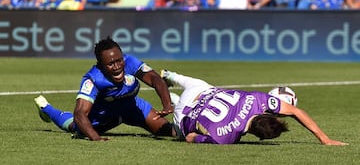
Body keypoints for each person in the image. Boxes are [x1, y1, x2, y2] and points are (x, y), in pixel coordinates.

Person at [35, 37, 175, 141]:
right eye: (110, 64)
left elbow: (156, 79)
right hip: (103, 116)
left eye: (119, 60)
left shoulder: (130, 62)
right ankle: (46, 108)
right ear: (101, 65)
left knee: (170, 131)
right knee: (75, 126)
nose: (117, 67)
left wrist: (167, 104)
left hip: (132, 107)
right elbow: (79, 113)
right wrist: (96, 138)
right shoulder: (93, 79)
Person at [160, 69, 348, 145]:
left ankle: (172, 75)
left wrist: (324, 138)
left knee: (202, 84)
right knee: (181, 133)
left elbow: (296, 111)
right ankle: (174, 100)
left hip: (200, 92)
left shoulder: (258, 99)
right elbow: (191, 137)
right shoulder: (226, 138)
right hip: (183, 114)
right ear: (258, 136)